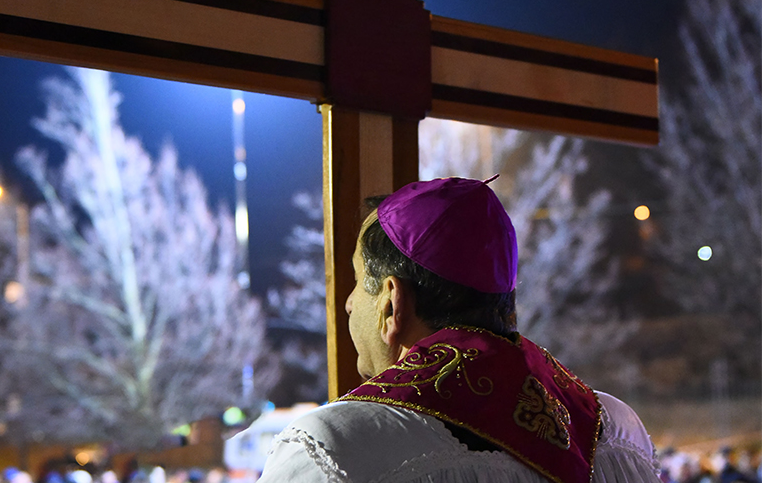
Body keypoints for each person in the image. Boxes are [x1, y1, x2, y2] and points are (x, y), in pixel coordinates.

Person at [258, 177, 660, 483]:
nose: (346, 303)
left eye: (357, 279)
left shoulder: (332, 448)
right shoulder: (616, 432)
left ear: (391, 304)